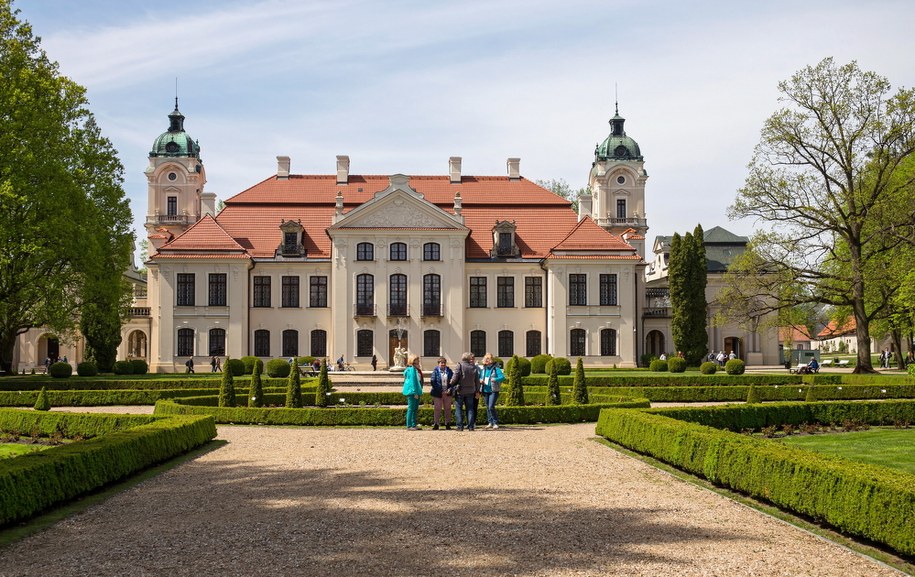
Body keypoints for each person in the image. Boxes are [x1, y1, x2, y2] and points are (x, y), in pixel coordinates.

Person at [449, 352, 480, 431]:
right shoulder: (473, 367)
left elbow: (455, 377)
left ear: (463, 358)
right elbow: (477, 381)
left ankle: (460, 426)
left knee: (459, 408)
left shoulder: (459, 366)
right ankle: (471, 426)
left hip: (460, 390)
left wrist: (451, 382)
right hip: (471, 391)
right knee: (470, 409)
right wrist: (477, 390)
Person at [479, 353, 505, 429]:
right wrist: (480, 380)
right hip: (485, 390)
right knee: (488, 407)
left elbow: (502, 377)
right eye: (485, 359)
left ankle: (495, 422)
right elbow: (480, 377)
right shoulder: (483, 369)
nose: (486, 360)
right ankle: (490, 422)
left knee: (491, 406)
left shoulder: (496, 369)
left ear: (491, 360)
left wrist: (495, 379)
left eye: (488, 359)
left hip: (493, 390)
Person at [429, 357, 454, 430]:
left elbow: (453, 381)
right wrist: (440, 391)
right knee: (437, 409)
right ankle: (436, 424)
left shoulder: (449, 371)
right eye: (441, 363)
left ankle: (447, 423)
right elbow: (433, 382)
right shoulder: (435, 371)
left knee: (448, 409)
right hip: (438, 393)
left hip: (447, 393)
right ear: (438, 364)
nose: (443, 364)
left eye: (444, 363)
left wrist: (450, 389)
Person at [402, 354, 423, 431]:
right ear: (412, 362)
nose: (418, 362)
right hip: (413, 392)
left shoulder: (415, 369)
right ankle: (409, 425)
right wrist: (415, 392)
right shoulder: (412, 370)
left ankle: (413, 424)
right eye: (416, 361)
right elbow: (412, 382)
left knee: (415, 409)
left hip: (415, 391)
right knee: (411, 409)